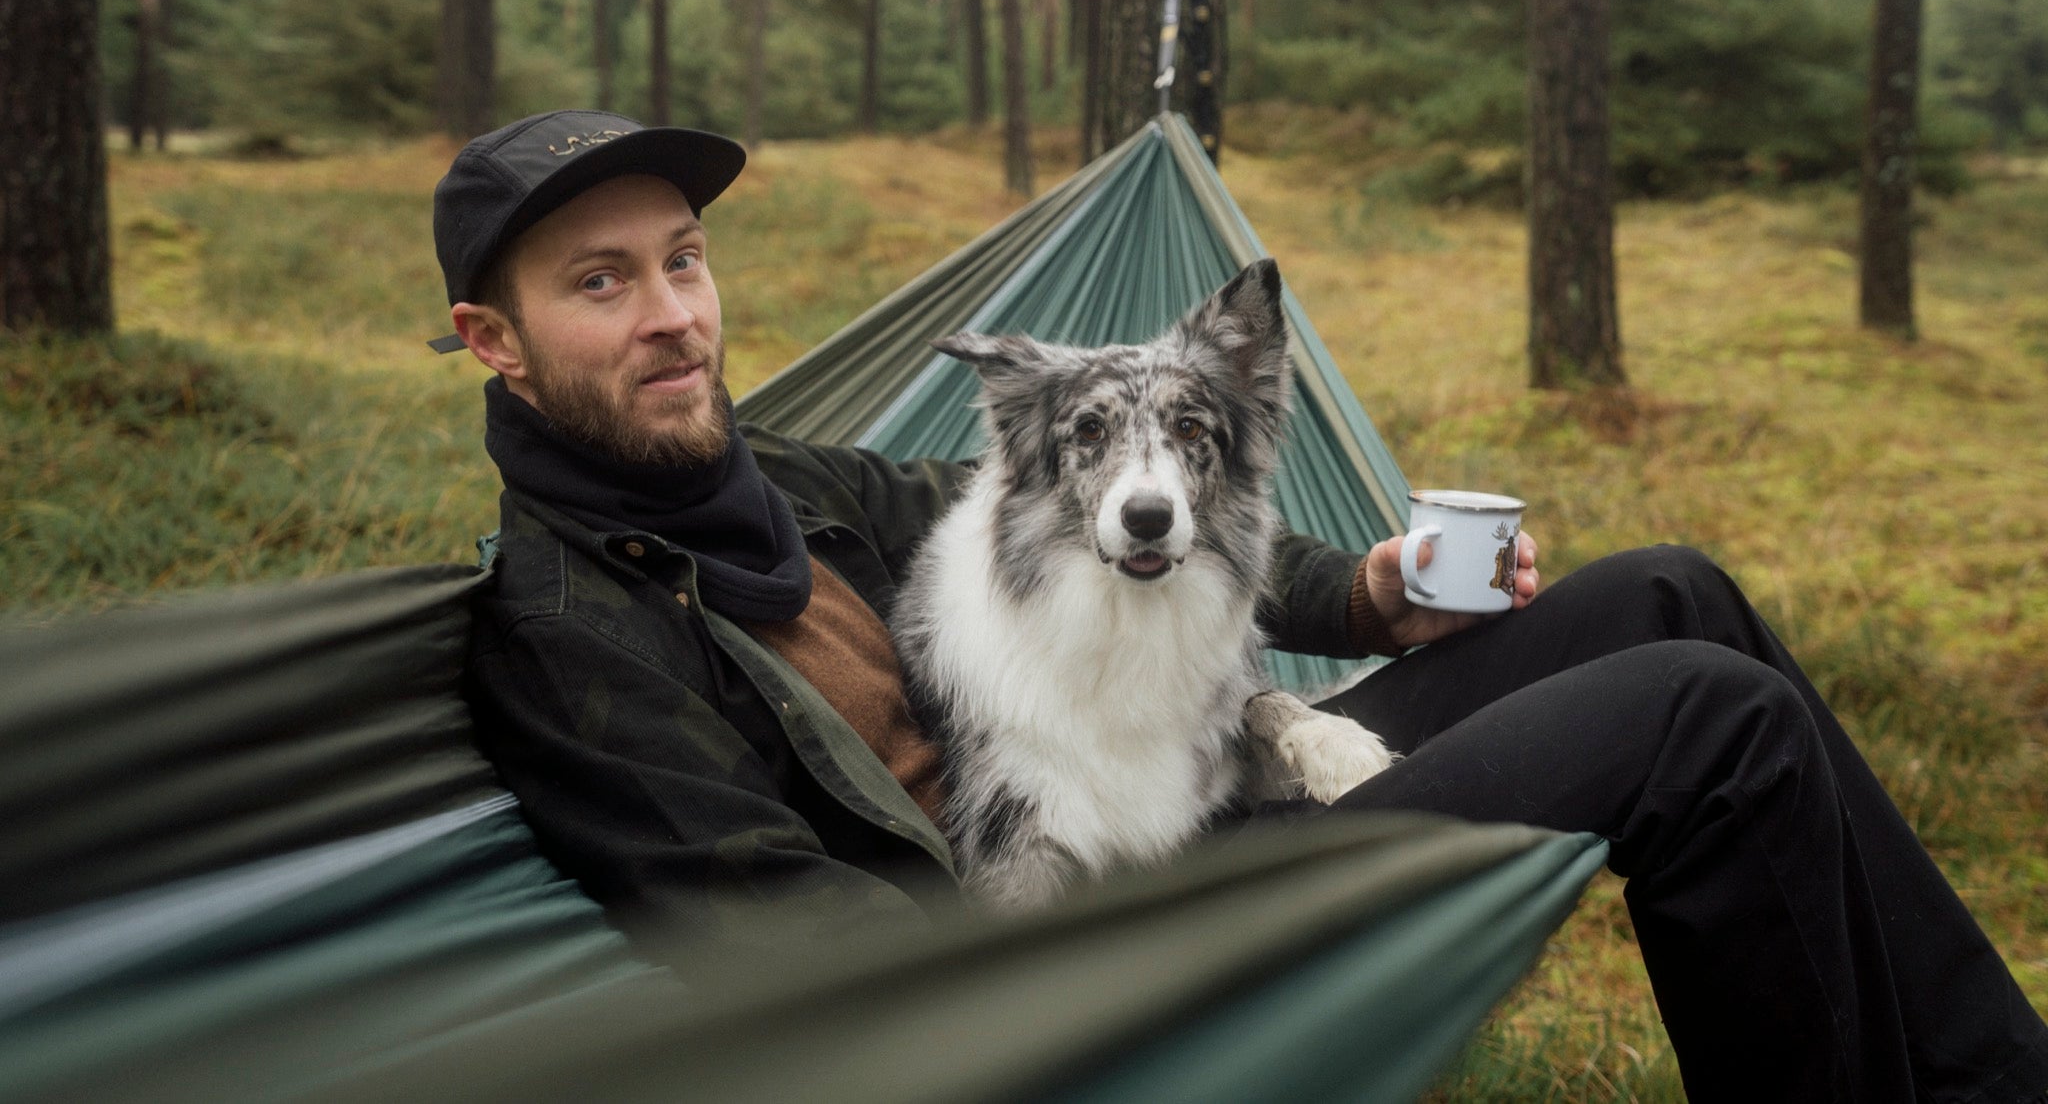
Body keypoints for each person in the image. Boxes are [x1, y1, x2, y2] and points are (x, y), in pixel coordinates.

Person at [434, 109, 2048, 1103]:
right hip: (1141, 943)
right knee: (1713, 720)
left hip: (1186, 802)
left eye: (685, 259)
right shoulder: (568, 633)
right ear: (491, 339)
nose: (674, 317)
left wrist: (1361, 595)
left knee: (1670, 592)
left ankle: (1989, 1079)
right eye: (602, 280)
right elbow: (808, 954)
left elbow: (1108, 520)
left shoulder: (776, 475)